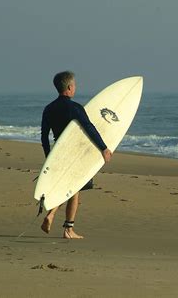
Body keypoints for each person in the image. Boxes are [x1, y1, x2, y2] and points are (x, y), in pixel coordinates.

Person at [40, 71, 112, 239]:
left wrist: (48, 157)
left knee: (67, 187)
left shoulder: (49, 109)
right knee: (74, 189)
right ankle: (67, 229)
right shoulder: (75, 108)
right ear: (70, 87)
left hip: (57, 153)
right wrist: (103, 148)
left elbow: (44, 136)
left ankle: (56, 219)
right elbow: (89, 128)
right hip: (75, 154)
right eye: (75, 85)